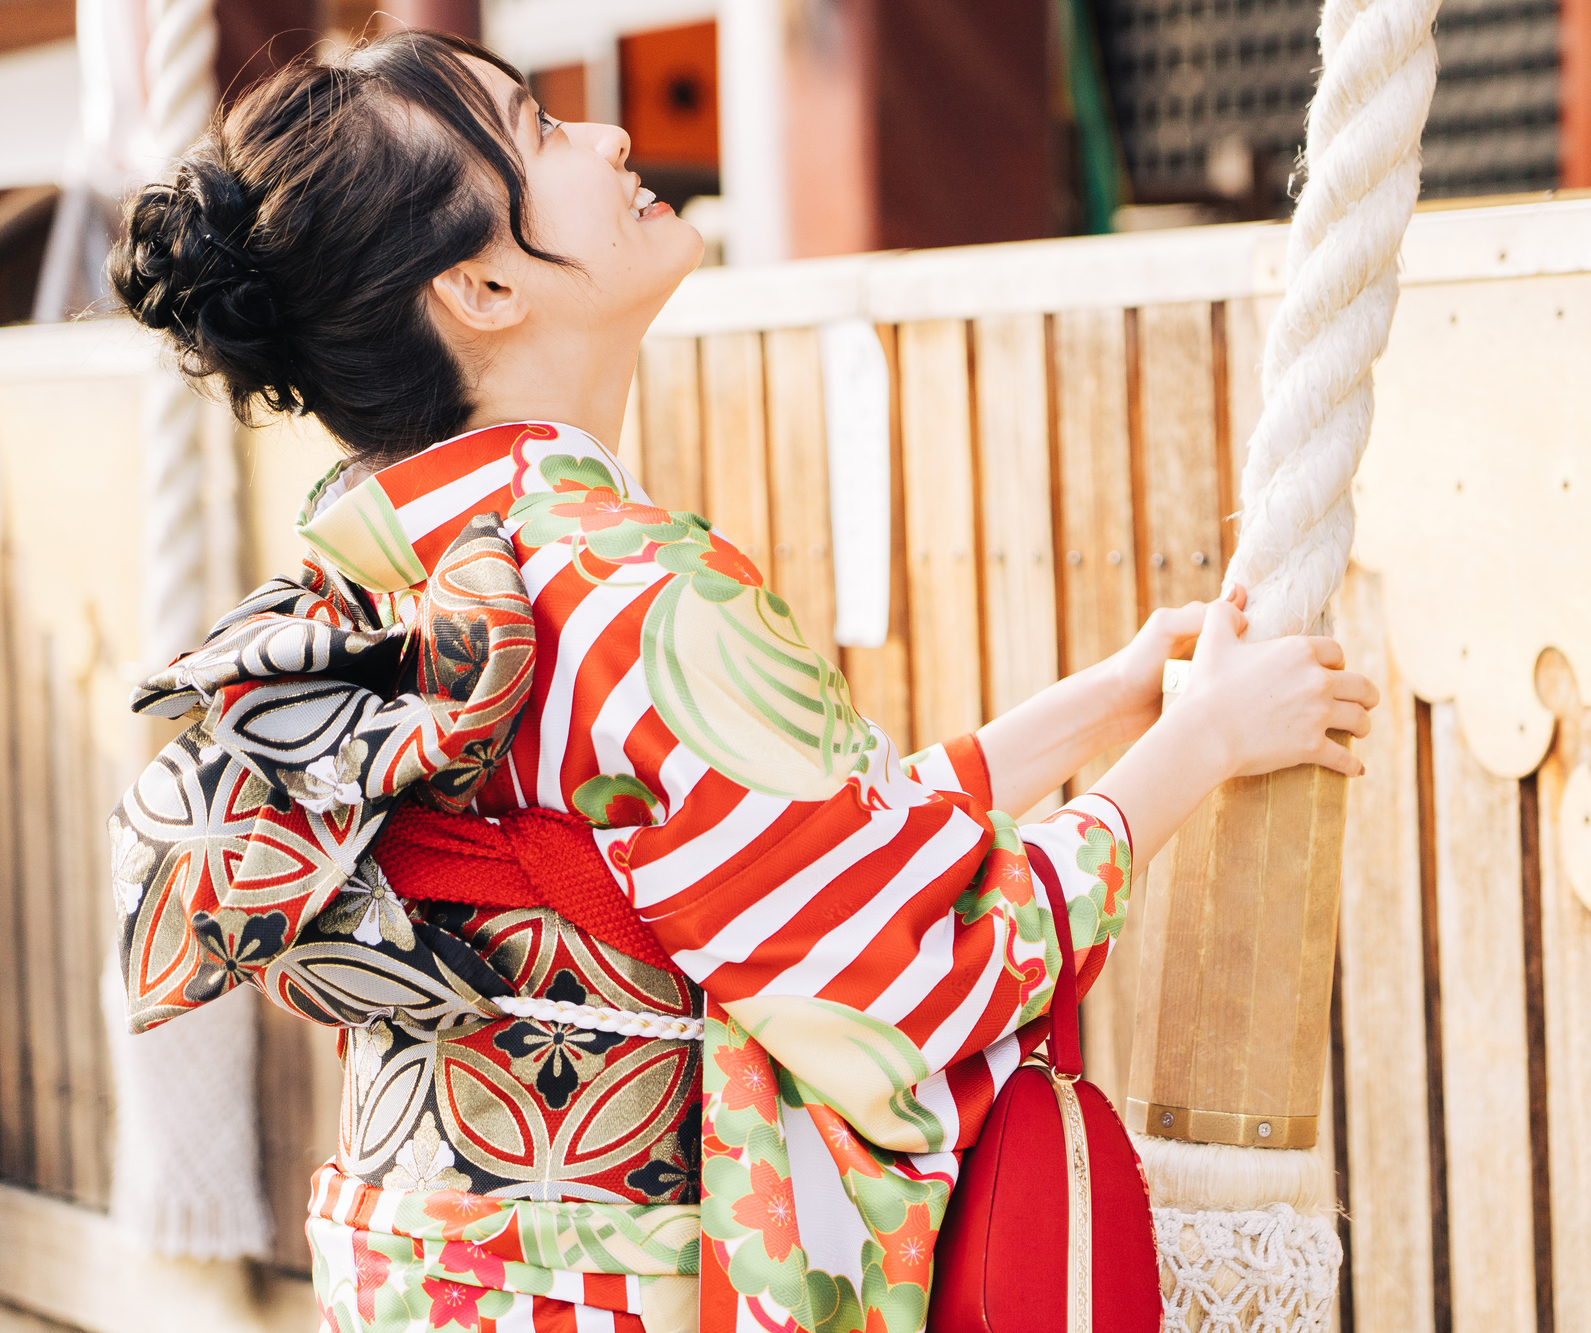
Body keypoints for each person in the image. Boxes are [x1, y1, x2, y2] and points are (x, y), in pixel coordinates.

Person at [106, 29, 1379, 1333]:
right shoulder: (637, 592)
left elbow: (786, 868)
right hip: (616, 1293)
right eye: (538, 132)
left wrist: (1103, 706)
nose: (607, 139)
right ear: (482, 288)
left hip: (432, 1275)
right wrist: (1201, 745)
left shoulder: (416, 561)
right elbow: (902, 984)